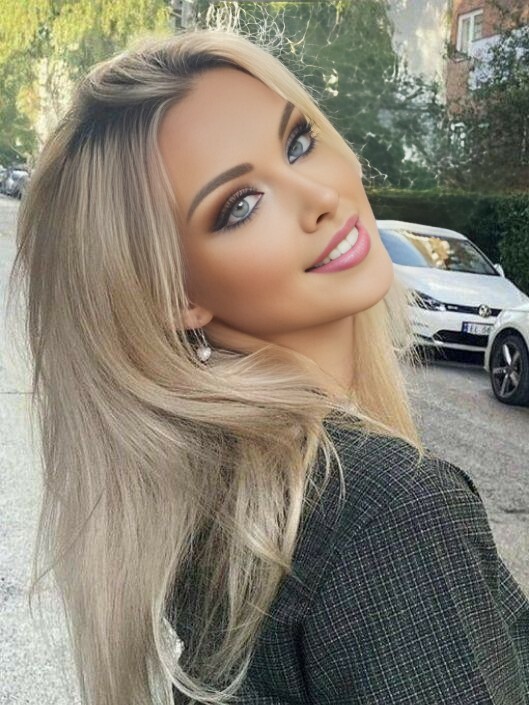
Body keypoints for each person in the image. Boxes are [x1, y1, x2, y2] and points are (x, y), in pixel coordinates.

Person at [7, 27, 528, 705]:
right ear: (177, 297)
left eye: (298, 142)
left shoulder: (216, 498)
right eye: (240, 205)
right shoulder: (389, 511)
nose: (319, 197)